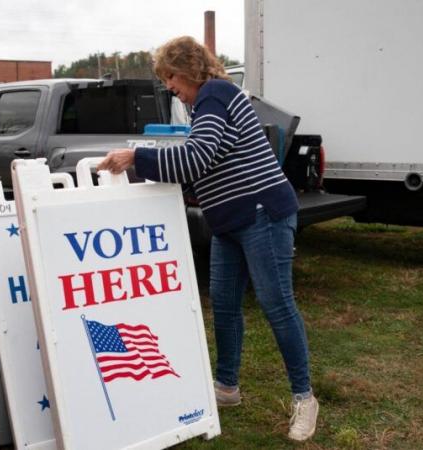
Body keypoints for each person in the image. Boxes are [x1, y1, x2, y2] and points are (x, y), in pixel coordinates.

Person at [98, 36, 318, 442]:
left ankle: (304, 397)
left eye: (171, 77)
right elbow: (207, 163)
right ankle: (227, 388)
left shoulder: (215, 94)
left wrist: (136, 157)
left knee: (277, 304)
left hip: (262, 213)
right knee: (224, 304)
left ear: (188, 70)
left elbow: (195, 158)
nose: (169, 87)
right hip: (230, 221)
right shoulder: (205, 106)